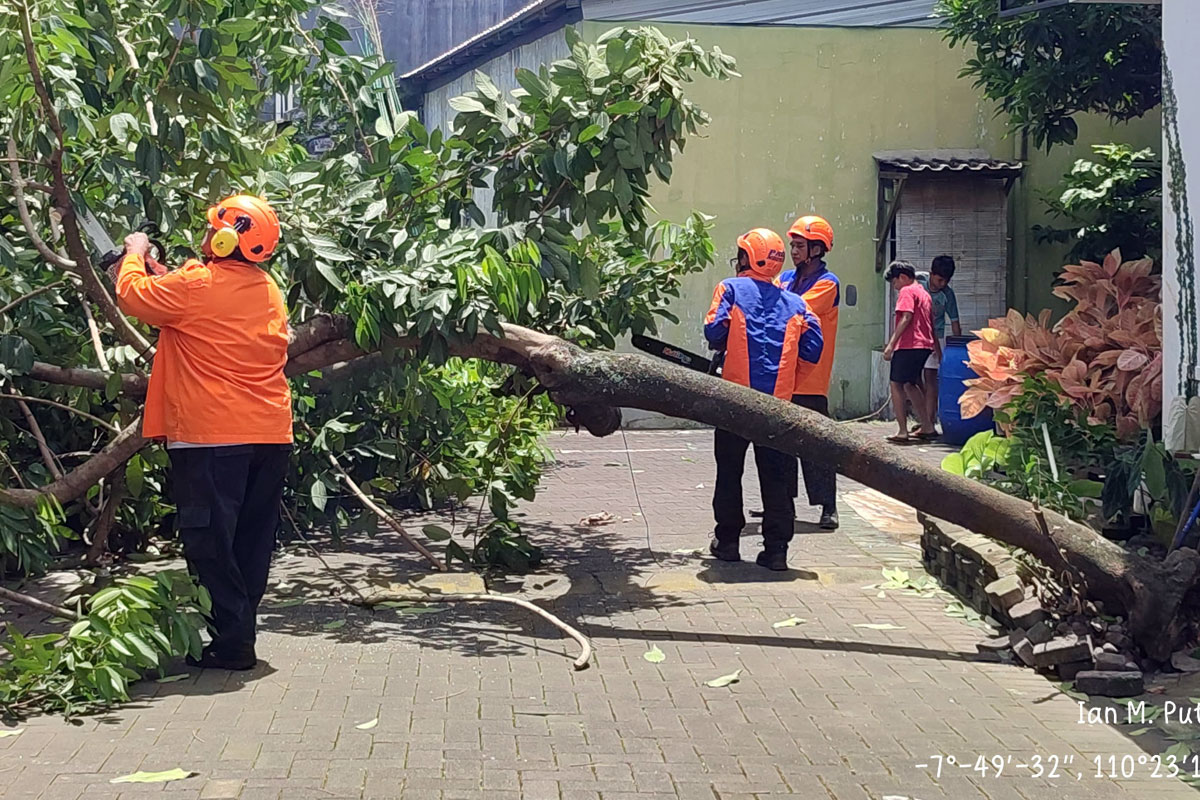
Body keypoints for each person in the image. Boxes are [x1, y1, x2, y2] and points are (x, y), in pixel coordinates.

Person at [115, 194, 292, 671]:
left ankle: (233, 643)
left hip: (212, 436)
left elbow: (133, 296)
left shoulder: (197, 285)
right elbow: (198, 308)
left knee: (210, 541)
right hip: (269, 434)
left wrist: (135, 253)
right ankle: (237, 633)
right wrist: (162, 271)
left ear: (224, 237)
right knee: (250, 542)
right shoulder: (268, 289)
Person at [705, 228, 823, 571]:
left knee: (729, 471)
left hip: (734, 400)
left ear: (747, 257)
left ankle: (727, 541)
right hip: (778, 405)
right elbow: (813, 349)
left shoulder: (729, 288)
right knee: (776, 477)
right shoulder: (798, 304)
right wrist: (791, 380)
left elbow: (713, 330)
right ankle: (776, 550)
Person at [778, 215, 840, 529]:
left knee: (817, 447)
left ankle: (829, 507)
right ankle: (781, 503)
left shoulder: (829, 284)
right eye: (792, 245)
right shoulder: (786, 278)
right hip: (784, 376)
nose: (794, 250)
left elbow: (795, 309)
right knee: (780, 445)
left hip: (812, 381)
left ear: (817, 248)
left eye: (800, 245)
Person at [881, 260, 935, 445]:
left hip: (909, 344)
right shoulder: (924, 293)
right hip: (924, 345)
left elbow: (906, 317)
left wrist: (891, 344)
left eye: (895, 282)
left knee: (896, 384)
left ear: (902, 277)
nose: (895, 287)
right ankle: (927, 425)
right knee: (911, 384)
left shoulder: (907, 291)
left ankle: (902, 431)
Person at [918, 255, 962, 433]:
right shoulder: (919, 288)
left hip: (938, 337)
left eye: (946, 281)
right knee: (913, 380)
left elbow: (955, 322)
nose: (942, 284)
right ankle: (922, 419)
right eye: (939, 279)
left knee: (931, 380)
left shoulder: (948, 294)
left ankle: (929, 421)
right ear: (931, 274)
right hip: (917, 337)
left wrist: (957, 346)